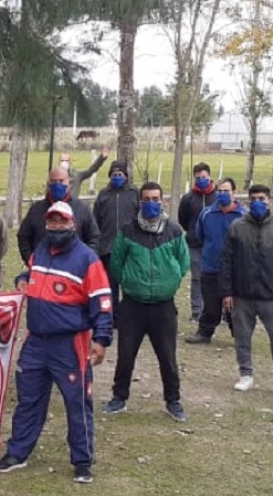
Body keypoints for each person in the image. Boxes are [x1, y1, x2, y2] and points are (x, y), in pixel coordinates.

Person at [0, 202, 113, 484]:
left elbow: (103, 301)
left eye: (62, 222)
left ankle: (82, 460)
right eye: (52, 222)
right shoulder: (41, 251)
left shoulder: (87, 259)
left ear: (73, 225)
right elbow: (31, 275)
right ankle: (18, 452)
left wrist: (101, 339)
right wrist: (23, 278)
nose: (57, 226)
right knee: (28, 399)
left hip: (70, 343)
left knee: (77, 402)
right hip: (36, 341)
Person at [103, 182, 190, 422]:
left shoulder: (173, 231)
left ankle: (173, 401)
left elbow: (183, 263)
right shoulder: (127, 230)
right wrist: (132, 283)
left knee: (167, 357)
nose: (151, 203)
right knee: (126, 355)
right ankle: (119, 397)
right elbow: (117, 264)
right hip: (133, 306)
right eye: (146, 199)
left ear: (162, 201)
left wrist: (169, 281)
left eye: (155, 198)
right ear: (139, 202)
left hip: (163, 306)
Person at [219, 184, 273, 392]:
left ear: (269, 200)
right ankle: (246, 374)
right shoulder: (237, 227)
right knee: (242, 337)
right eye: (253, 199)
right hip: (242, 294)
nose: (258, 202)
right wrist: (226, 291)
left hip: (270, 295)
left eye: (262, 198)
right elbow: (226, 261)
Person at [187, 177, 243, 345]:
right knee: (210, 304)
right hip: (210, 266)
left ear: (234, 192)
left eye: (226, 191)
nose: (223, 194)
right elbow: (200, 235)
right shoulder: (207, 213)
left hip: (235, 269)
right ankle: (204, 333)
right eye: (220, 191)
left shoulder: (242, 215)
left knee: (235, 305)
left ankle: (240, 335)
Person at [18, 166, 100, 264]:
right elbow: (23, 236)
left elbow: (94, 238)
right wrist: (30, 260)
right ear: (48, 184)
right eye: (54, 181)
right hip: (43, 269)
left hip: (73, 271)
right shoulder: (36, 209)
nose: (57, 185)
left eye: (61, 181)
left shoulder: (82, 209)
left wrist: (85, 262)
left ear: (69, 183)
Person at [93, 161, 140, 307]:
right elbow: (96, 221)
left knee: (129, 286)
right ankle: (112, 316)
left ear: (126, 176)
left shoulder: (134, 193)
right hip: (108, 249)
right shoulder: (103, 195)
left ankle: (128, 315)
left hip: (130, 248)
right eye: (114, 175)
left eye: (120, 175)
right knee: (110, 286)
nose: (117, 177)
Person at [178, 162, 217, 321]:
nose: (201, 180)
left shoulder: (216, 196)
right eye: (198, 178)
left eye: (204, 177)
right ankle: (196, 311)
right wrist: (193, 232)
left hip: (214, 244)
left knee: (215, 277)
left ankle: (216, 310)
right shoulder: (188, 198)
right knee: (196, 278)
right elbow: (183, 218)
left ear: (209, 177)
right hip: (195, 244)